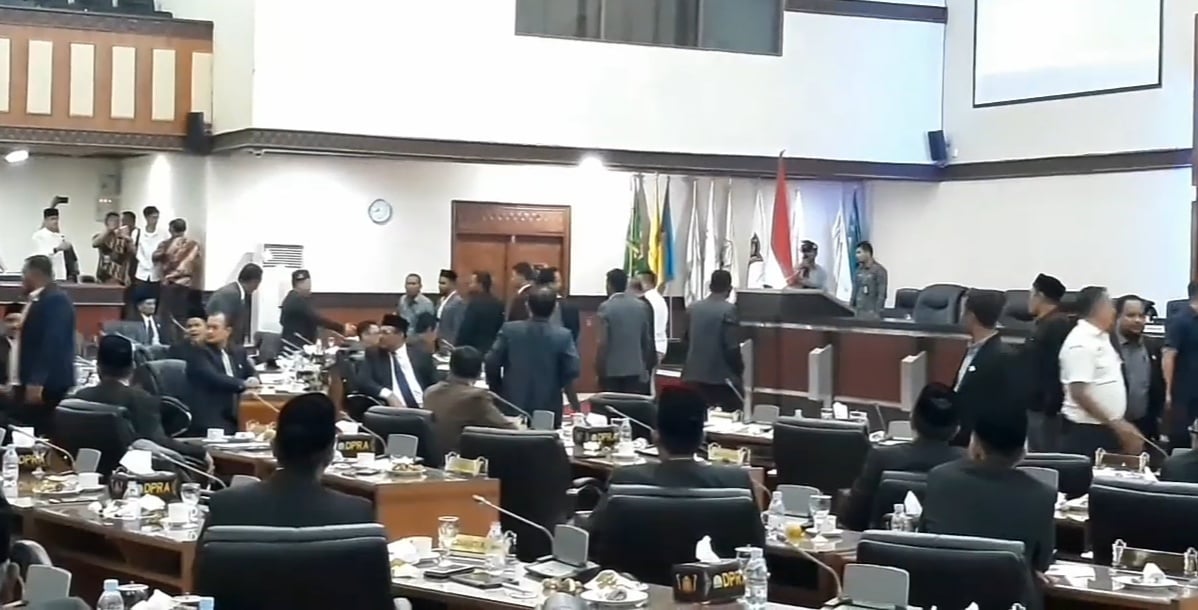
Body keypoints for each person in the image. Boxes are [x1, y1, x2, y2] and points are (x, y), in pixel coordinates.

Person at [588, 386, 751, 549]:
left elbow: (593, 538)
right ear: (702, 437)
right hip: (714, 566)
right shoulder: (736, 480)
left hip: (637, 566)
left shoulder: (624, 478)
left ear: (655, 436)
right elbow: (755, 545)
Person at [202, 393, 374, 529]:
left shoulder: (226, 506)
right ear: (330, 454)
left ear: (274, 447)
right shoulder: (356, 514)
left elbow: (202, 564)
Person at [922, 404, 1055, 576]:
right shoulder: (1043, 495)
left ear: (976, 445)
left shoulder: (940, 478)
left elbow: (924, 538)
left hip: (943, 586)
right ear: (1022, 451)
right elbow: (1042, 563)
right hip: (1009, 589)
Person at [842, 382, 965, 531]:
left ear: (912, 420)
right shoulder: (967, 463)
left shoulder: (881, 458)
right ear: (956, 429)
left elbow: (853, 519)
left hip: (882, 544)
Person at [72, 335, 208, 463]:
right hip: (132, 473)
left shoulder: (79, 398)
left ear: (98, 368)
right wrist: (199, 452)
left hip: (86, 469)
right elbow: (158, 442)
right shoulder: (141, 399)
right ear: (133, 366)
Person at [1059, 286, 1140, 458]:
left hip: (1106, 426)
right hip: (1087, 431)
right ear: (1099, 308)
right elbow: (1079, 393)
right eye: (1110, 305)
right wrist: (1117, 425)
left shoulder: (1103, 338)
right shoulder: (1081, 342)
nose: (1114, 311)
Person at [486, 286, 581, 425]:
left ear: (527, 306)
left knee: (511, 436)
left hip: (511, 401)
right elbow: (571, 370)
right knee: (545, 437)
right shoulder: (563, 336)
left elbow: (491, 362)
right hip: (548, 405)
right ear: (555, 308)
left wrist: (497, 389)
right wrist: (572, 400)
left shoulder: (509, 330)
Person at [12, 256, 75, 435]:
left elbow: (52, 342)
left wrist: (37, 381)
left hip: (47, 386)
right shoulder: (38, 300)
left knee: (41, 435)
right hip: (32, 383)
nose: (22, 278)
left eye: (24, 273)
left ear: (34, 274)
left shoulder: (56, 300)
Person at [951, 289, 1015, 446]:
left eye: (964, 311)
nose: (961, 317)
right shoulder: (973, 348)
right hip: (959, 435)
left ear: (971, 316)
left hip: (978, 443)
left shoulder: (1001, 356)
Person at [424, 346, 515, 452]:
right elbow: (511, 432)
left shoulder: (429, 392)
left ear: (450, 367)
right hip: (461, 459)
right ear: (479, 373)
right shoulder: (476, 398)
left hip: (432, 458)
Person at [184, 312, 258, 435]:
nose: (209, 332)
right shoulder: (199, 351)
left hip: (237, 413)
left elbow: (251, 372)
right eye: (208, 327)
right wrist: (243, 384)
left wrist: (253, 379)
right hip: (211, 416)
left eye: (215, 328)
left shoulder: (238, 351)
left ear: (228, 331)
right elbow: (213, 377)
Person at [1023, 273, 1073, 451]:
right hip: (1036, 405)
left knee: (1043, 457)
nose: (1029, 300)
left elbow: (1054, 369)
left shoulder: (1055, 325)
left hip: (1045, 410)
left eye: (1031, 294)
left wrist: (1049, 407)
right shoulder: (1044, 323)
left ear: (1040, 295)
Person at [682, 270, 743, 411]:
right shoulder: (729, 310)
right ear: (729, 289)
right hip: (720, 378)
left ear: (710, 286)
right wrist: (739, 370)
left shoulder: (693, 308)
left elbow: (685, 340)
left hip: (693, 375)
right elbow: (731, 347)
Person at [1112, 295, 1166, 454]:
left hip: (1143, 426)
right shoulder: (1107, 346)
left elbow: (1157, 386)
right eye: (1130, 315)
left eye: (1141, 316)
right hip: (1111, 427)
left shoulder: (1152, 347)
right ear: (1117, 317)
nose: (1137, 320)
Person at [355, 314, 436, 408]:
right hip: (395, 409)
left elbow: (434, 382)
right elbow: (363, 381)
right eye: (379, 333)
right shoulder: (374, 354)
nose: (380, 337)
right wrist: (388, 395)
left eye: (385, 333)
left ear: (400, 335)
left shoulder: (420, 354)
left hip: (423, 406)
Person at [596, 269, 655, 394]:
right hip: (636, 367)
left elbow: (603, 342)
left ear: (609, 285)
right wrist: (645, 365)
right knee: (631, 402)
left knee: (612, 403)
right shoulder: (641, 306)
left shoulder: (605, 307)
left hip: (612, 369)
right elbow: (646, 340)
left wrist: (599, 366)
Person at [154, 219, 203, 339]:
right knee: (181, 315)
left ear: (171, 229)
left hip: (168, 283)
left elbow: (155, 257)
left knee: (166, 315)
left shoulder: (166, 244)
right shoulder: (194, 244)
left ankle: (167, 340)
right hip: (185, 283)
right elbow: (195, 261)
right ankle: (182, 338)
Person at [1164, 281, 1198, 449]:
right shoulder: (1180, 321)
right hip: (1184, 392)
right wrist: (1168, 391)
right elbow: (1168, 355)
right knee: (1181, 439)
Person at [279, 269, 351, 348]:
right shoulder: (297, 300)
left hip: (291, 344)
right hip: (296, 346)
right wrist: (342, 328)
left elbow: (282, 321)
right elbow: (317, 319)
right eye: (307, 284)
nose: (309, 288)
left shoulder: (290, 297)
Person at [206, 263, 261, 348]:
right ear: (254, 282)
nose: (256, 288)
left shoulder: (235, 293)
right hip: (225, 347)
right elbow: (222, 325)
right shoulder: (230, 295)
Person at [127, 206, 166, 318]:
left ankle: (153, 322)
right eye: (153, 217)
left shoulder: (162, 233)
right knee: (139, 300)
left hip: (156, 272)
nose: (155, 220)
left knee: (155, 302)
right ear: (146, 218)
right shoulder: (137, 233)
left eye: (157, 217)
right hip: (141, 272)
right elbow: (133, 250)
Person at [456, 271, 505, 353]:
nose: (469, 286)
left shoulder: (474, 304)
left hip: (473, 350)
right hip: (492, 350)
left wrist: (457, 347)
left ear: (480, 285)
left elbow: (466, 329)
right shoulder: (498, 303)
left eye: (472, 283)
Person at [538, 267, 580, 344]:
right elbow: (574, 333)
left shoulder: (568, 306)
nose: (561, 284)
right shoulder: (568, 306)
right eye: (558, 281)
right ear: (549, 283)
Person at [91, 212, 132, 286]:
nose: (115, 223)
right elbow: (95, 243)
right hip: (103, 273)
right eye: (112, 220)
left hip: (118, 275)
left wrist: (127, 275)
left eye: (117, 221)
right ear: (106, 222)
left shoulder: (123, 238)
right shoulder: (101, 236)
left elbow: (127, 259)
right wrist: (108, 230)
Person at [30, 208, 70, 282]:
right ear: (46, 220)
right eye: (52, 219)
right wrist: (56, 249)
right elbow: (40, 256)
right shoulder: (39, 236)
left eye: (57, 219)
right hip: (45, 276)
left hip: (60, 275)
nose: (55, 222)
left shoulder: (60, 236)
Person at [850, 241, 887, 319]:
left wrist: (877, 313)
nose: (856, 256)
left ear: (867, 253)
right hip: (857, 312)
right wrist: (850, 308)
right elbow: (854, 292)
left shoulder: (879, 270)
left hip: (871, 314)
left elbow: (882, 295)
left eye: (859, 252)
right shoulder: (858, 270)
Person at [638, 269, 669, 364]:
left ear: (643, 282)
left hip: (649, 347)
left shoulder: (646, 299)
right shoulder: (660, 299)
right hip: (660, 345)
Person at [436, 269, 465, 348]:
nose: (440, 286)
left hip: (449, 343)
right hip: (438, 341)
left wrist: (453, 345)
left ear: (452, 284)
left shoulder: (458, 302)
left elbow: (458, 326)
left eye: (443, 283)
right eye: (439, 283)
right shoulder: (440, 300)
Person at [0, 303, 21, 409]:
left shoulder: (35, 346)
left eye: (18, 321)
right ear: (3, 322)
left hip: (26, 400)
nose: (14, 325)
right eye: (10, 320)